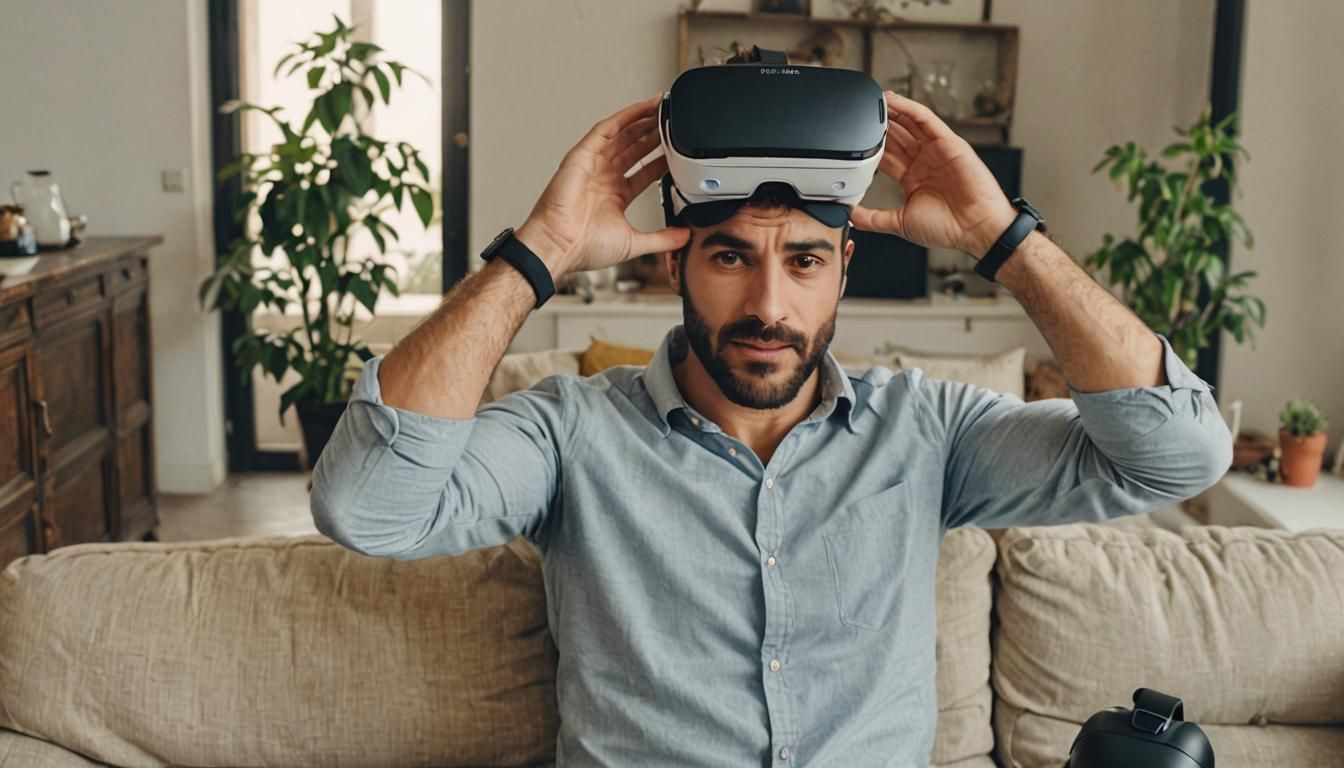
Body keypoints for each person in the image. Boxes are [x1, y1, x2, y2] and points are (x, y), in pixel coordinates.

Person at [311, 90, 1232, 767]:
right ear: (673, 263)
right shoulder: (569, 432)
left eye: (804, 262)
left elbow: (1179, 457)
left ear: (845, 269)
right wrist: (539, 253)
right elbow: (368, 505)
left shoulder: (931, 430)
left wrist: (1007, 241)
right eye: (729, 257)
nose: (768, 303)